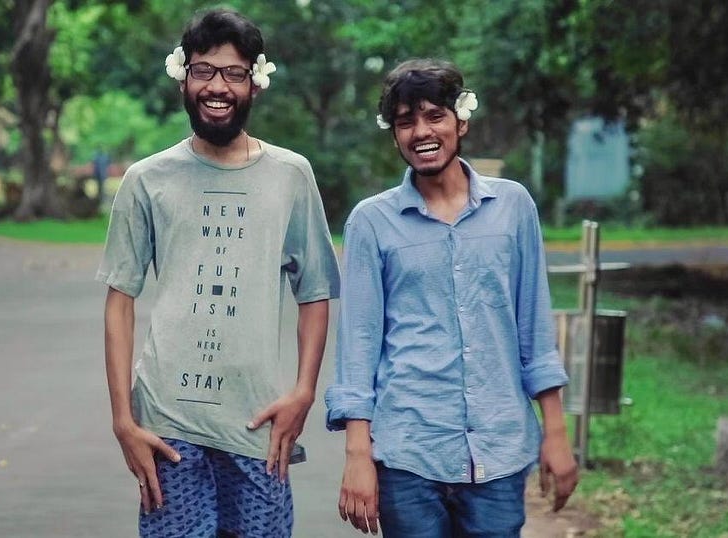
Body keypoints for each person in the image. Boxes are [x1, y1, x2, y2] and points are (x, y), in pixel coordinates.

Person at [97, 8, 340, 537]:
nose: (218, 86)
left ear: (255, 83)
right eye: (204, 70)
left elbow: (315, 291)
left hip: (257, 427)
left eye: (234, 73)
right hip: (167, 427)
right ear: (183, 78)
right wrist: (124, 420)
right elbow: (120, 300)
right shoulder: (146, 179)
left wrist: (303, 392)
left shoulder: (291, 175)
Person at [325, 59, 578, 537]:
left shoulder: (514, 207)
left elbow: (535, 329)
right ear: (394, 133)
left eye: (434, 116)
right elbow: (357, 347)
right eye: (405, 122)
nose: (421, 131)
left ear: (461, 120)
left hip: (499, 454)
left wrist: (556, 433)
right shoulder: (371, 222)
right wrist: (358, 456)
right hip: (407, 455)